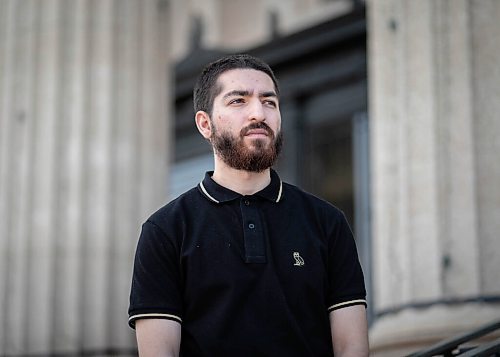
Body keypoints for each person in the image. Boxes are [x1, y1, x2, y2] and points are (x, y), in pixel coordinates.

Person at [128, 54, 369, 356]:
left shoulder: (327, 222)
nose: (259, 113)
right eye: (238, 101)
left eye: (269, 102)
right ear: (205, 124)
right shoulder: (165, 231)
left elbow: (352, 348)